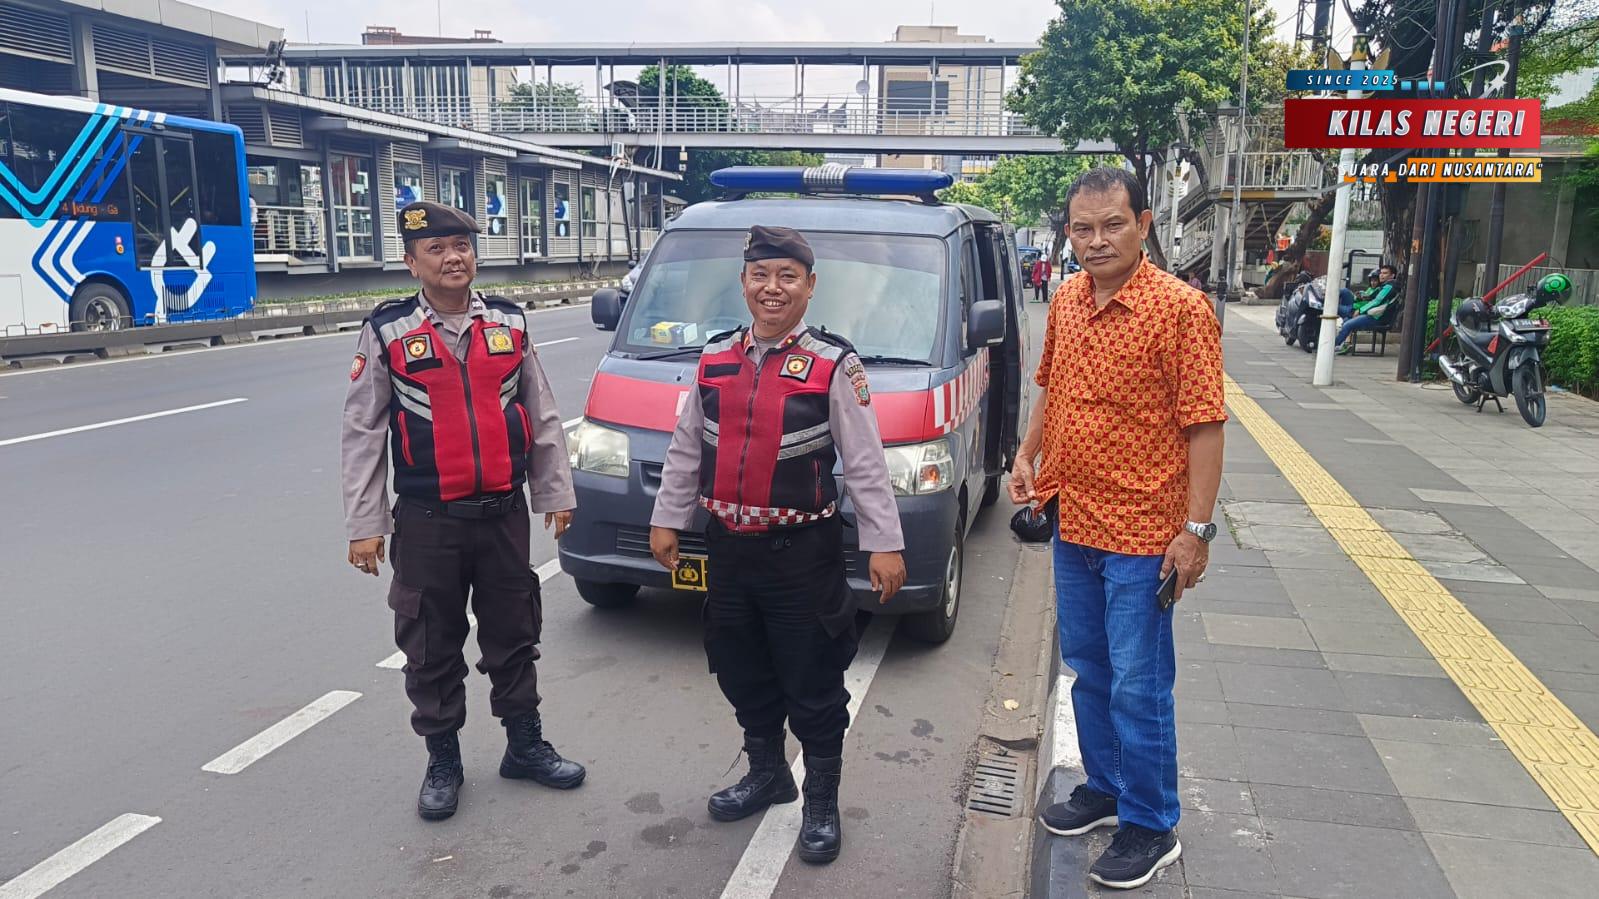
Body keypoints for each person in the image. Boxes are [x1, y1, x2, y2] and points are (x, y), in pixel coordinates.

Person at [648, 225, 907, 865]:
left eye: (787, 276)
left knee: (813, 678)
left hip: (802, 554)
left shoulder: (833, 364)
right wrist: (668, 518)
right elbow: (686, 448)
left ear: (809, 287)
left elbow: (865, 460)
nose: (773, 288)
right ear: (743, 282)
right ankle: (767, 773)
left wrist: (883, 542)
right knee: (739, 666)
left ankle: (821, 803)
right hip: (729, 551)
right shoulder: (714, 359)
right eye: (761, 275)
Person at [1010, 168, 1225, 890]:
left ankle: (1151, 822)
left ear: (1144, 223)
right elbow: (1053, 388)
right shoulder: (1067, 298)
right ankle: (1104, 786)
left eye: (1112, 225)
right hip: (1073, 519)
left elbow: (1204, 425)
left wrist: (1196, 531)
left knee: (1139, 683)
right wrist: (1027, 454)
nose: (1096, 240)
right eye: (1082, 228)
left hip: (1143, 534)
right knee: (1088, 668)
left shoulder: (1180, 309)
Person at [342, 201, 586, 822]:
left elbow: (542, 412)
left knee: (515, 632)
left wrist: (554, 492)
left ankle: (525, 745)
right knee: (430, 642)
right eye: (437, 249)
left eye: (462, 246)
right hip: (428, 520)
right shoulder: (389, 330)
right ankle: (443, 760)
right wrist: (366, 523)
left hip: (502, 514)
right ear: (412, 262)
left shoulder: (508, 321)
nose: (453, 258)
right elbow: (363, 431)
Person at [1335, 263, 1399, 355]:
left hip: (1376, 318)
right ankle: (1342, 344)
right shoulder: (1385, 286)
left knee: (1346, 322)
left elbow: (1377, 301)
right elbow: (1371, 298)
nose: (1381, 275)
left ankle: (1332, 345)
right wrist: (1361, 297)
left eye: (1385, 273)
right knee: (1347, 319)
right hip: (1372, 315)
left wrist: (1360, 311)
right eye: (1381, 273)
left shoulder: (1389, 286)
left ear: (1392, 276)